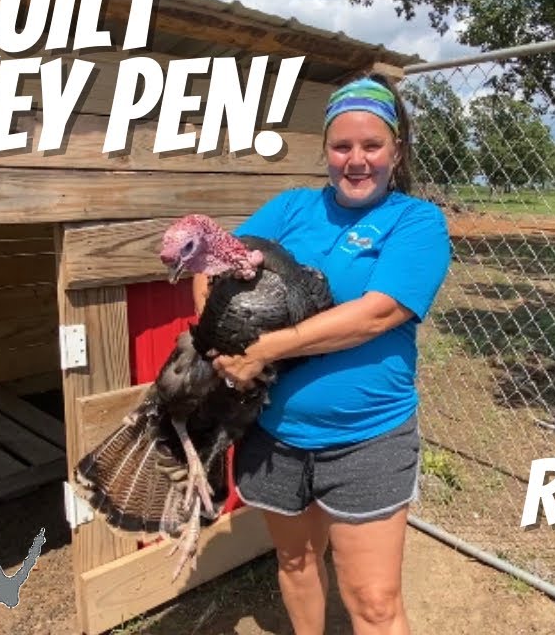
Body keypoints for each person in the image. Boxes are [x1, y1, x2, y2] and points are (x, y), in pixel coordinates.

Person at [193, 73, 452, 635]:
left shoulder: (417, 221)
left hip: (368, 437)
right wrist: (223, 342)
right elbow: (214, 261)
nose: (356, 160)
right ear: (326, 152)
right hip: (274, 433)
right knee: (295, 561)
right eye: (342, 146)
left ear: (396, 152)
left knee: (376, 604)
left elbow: (378, 313)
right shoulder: (291, 208)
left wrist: (263, 348)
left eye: (371, 146)